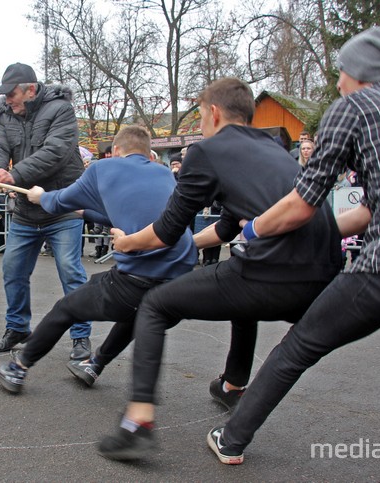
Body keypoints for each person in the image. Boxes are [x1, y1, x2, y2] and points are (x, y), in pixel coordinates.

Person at [195, 27, 380, 468]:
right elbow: (369, 210)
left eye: (341, 71)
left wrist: (256, 229)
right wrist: (316, 234)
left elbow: (302, 203)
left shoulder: (352, 108)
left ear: (360, 71)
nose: (337, 82)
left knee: (300, 344)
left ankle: (233, 437)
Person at [96, 77, 343, 461]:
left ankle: (138, 423)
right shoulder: (274, 148)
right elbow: (228, 227)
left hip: (273, 272)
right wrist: (188, 244)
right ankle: (233, 385)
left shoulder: (206, 152)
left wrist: (127, 242)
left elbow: (165, 231)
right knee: (239, 298)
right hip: (324, 276)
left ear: (212, 113)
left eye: (199, 114)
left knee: (155, 305)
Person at [0, 125, 197, 393]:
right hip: (180, 287)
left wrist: (40, 196)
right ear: (150, 154)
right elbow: (125, 213)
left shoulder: (102, 168)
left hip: (137, 279)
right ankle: (94, 365)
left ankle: (17, 369)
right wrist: (84, 213)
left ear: (115, 151)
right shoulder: (164, 174)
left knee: (66, 308)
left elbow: (58, 201)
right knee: (141, 313)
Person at [0, 62, 91, 360]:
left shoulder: (60, 110)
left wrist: (13, 176)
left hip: (61, 207)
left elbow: (55, 152)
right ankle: (17, 328)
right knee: (13, 270)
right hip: (26, 212)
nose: (7, 100)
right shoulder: (6, 115)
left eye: (12, 93)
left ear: (30, 89)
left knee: (71, 272)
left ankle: (81, 337)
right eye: (4, 95)